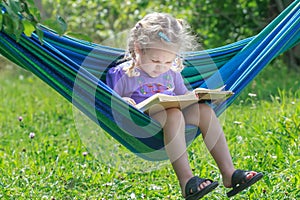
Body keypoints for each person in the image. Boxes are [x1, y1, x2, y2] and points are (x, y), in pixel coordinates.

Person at [106, 12, 263, 199]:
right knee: (174, 114)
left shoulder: (171, 73)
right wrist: (124, 102)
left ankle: (229, 173)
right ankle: (187, 181)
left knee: (204, 111)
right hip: (144, 122)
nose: (161, 66)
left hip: (174, 117)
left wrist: (200, 97)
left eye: (168, 61)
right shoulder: (122, 73)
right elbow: (108, 101)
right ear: (138, 49)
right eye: (155, 61)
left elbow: (182, 96)